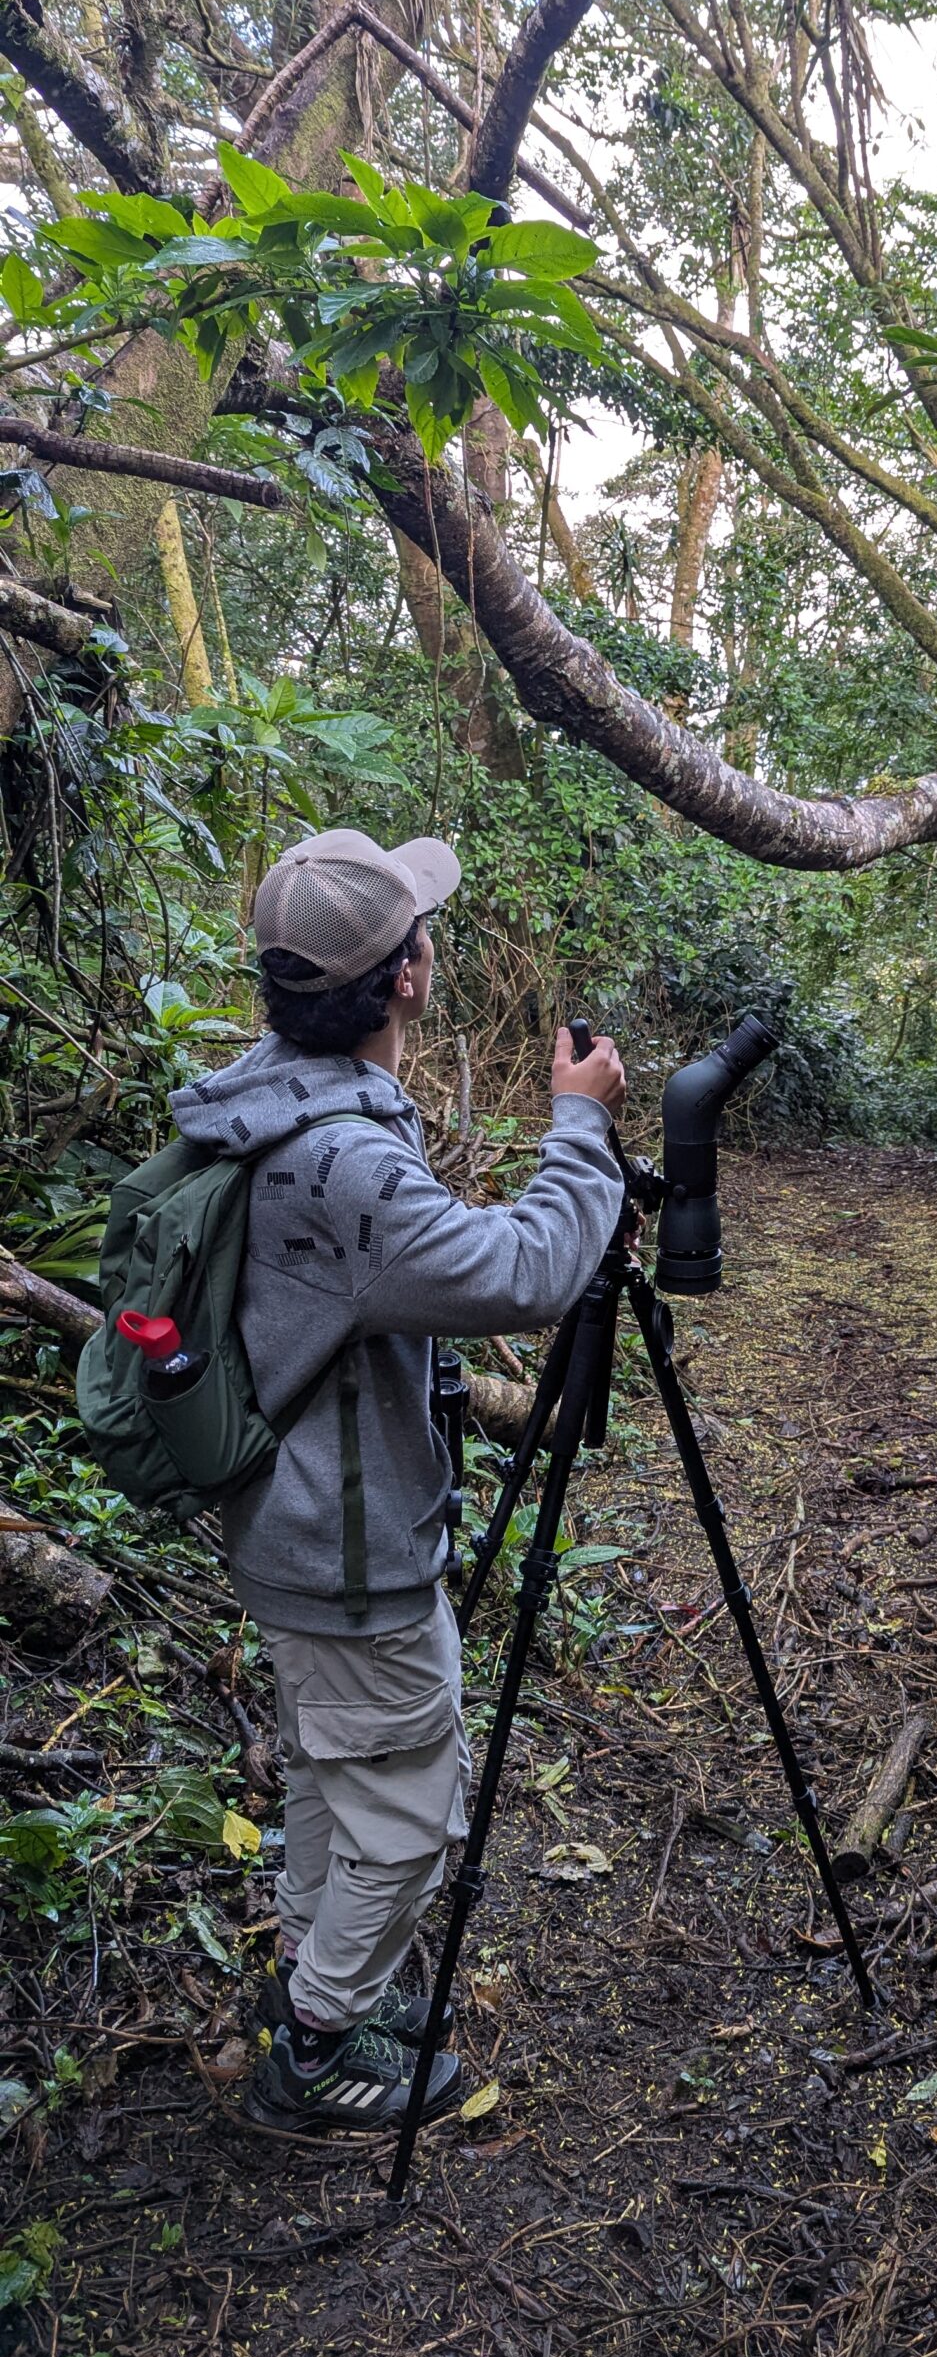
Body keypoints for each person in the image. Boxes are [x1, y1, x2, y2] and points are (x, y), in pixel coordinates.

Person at [168, 828, 625, 2131]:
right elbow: (526, 1276)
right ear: (407, 977)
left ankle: (319, 1977)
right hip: (345, 1551)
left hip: (286, 1524)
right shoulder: (346, 1161)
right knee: (414, 1815)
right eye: (424, 928)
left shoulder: (263, 1094)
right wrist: (581, 1131)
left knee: (328, 1773)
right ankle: (316, 2048)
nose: (434, 939)